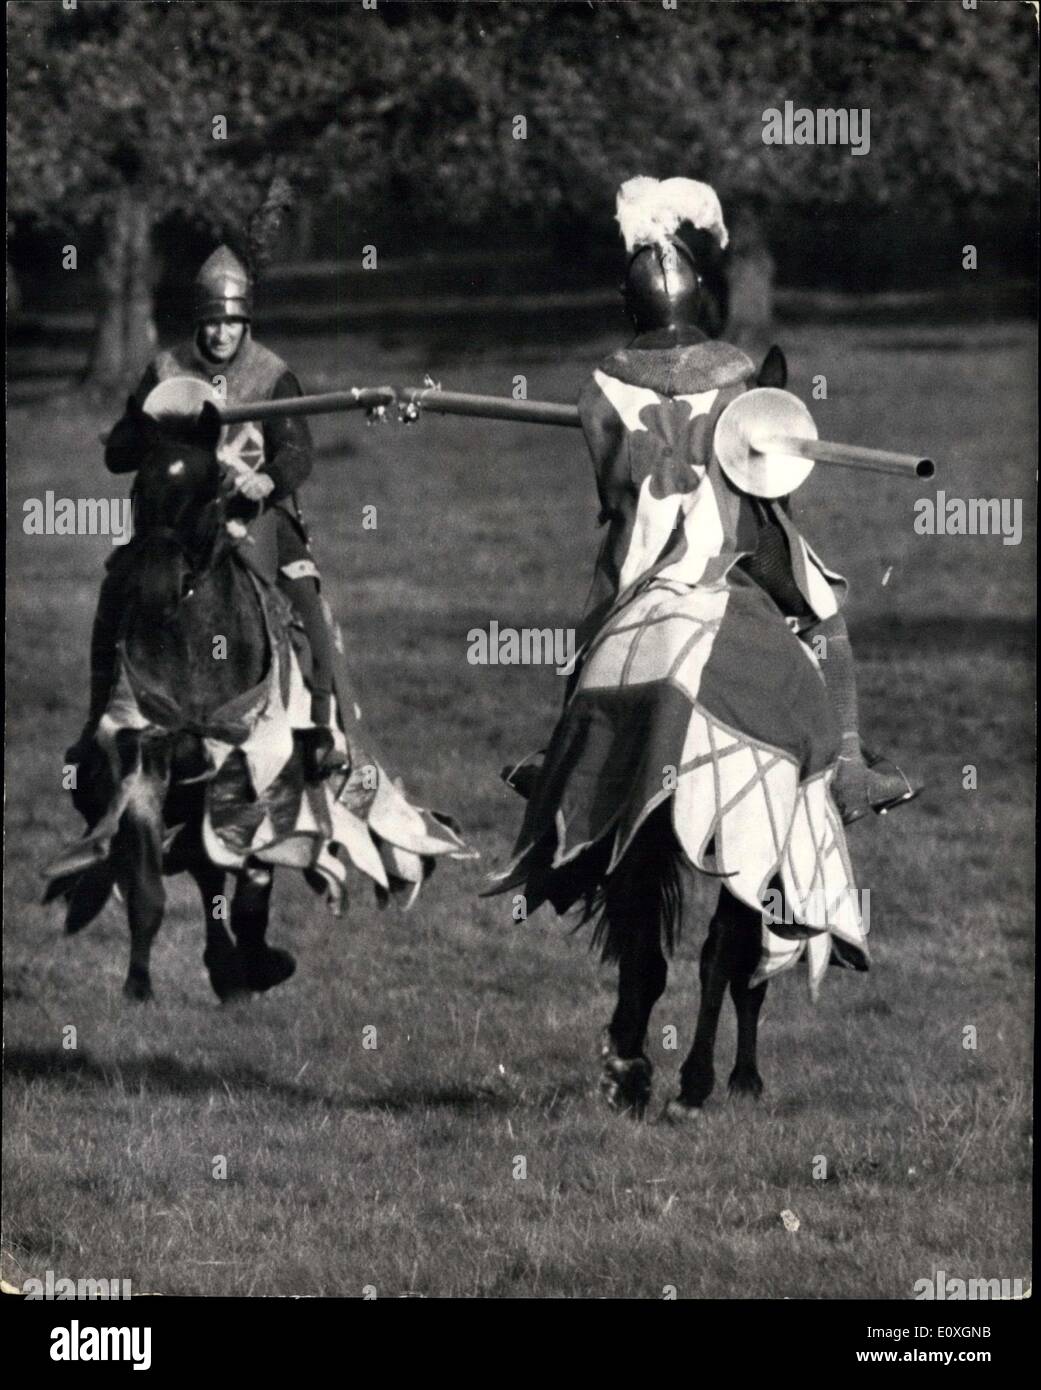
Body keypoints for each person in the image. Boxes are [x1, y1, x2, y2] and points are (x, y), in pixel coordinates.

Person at [493, 176, 919, 978]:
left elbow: (610, 483)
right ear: (699, 295)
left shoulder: (599, 384)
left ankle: (559, 767)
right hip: (722, 556)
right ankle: (849, 768)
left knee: (592, 645)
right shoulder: (735, 368)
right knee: (822, 606)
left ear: (631, 307)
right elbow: (757, 467)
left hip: (637, 564)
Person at [67, 244, 342, 776]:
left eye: (231, 323)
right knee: (116, 588)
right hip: (178, 522)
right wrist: (144, 432)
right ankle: (97, 719)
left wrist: (270, 477)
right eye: (212, 323)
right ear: (199, 322)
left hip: (257, 514)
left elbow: (297, 451)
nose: (220, 334)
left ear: (246, 322)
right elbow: (118, 452)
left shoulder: (272, 376)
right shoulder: (165, 369)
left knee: (307, 603)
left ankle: (320, 731)